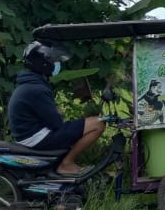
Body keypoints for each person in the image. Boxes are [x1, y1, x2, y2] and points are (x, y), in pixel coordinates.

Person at [8, 41, 106, 177]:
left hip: (29, 135)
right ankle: (66, 164)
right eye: (54, 61)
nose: (56, 65)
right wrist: (58, 114)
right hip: (36, 138)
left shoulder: (29, 83)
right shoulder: (37, 88)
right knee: (98, 123)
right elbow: (56, 124)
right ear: (44, 62)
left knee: (79, 125)